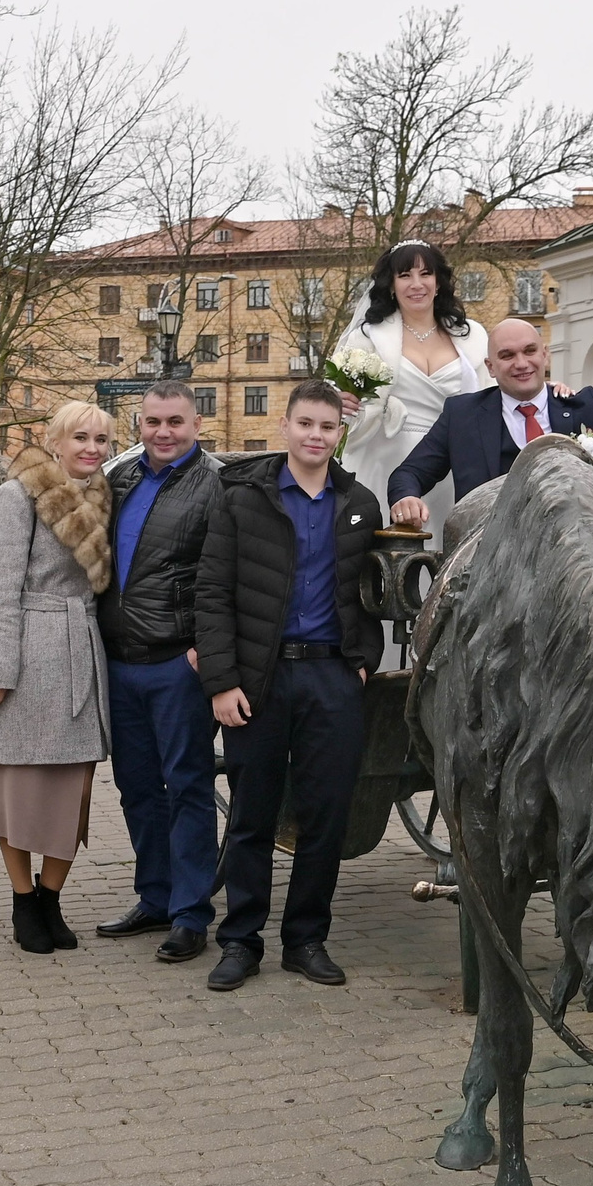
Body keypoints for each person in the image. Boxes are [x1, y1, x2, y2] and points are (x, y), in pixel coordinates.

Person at [196, 380, 384, 992]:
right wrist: (222, 682)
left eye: (327, 427)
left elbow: (371, 591)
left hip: (331, 676)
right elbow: (212, 592)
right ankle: (240, 941)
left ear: (339, 434)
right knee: (252, 815)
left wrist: (362, 660)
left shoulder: (358, 503)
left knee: (324, 816)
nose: (315, 436)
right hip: (260, 678)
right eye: (305, 424)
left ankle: (305, 940)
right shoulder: (242, 498)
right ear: (285, 427)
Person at [0, 401, 115, 955]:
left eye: (101, 440)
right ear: (54, 441)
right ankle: (22, 900)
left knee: (74, 788)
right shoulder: (17, 496)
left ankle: (50, 897)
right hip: (30, 654)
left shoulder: (102, 494)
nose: (92, 449)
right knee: (19, 786)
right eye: (80, 437)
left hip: (82, 648)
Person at [94, 381, 225, 963]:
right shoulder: (119, 479)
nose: (163, 432)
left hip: (177, 662)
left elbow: (225, 573)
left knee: (188, 786)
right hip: (120, 662)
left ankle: (191, 912)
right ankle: (155, 895)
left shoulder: (216, 484)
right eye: (153, 422)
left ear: (196, 424)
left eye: (175, 422)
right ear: (139, 425)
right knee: (137, 787)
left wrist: (205, 647)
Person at [386, 318, 593, 533]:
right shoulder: (462, 415)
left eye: (530, 351)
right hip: (491, 554)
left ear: (545, 355)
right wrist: (407, 498)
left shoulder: (585, 407)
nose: (521, 363)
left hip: (584, 547)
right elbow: (409, 473)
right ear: (491, 367)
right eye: (507, 355)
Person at [330, 240, 489, 544]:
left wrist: (551, 390)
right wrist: (340, 402)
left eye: (425, 274)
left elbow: (495, 394)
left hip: (449, 462)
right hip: (385, 458)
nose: (417, 284)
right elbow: (341, 403)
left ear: (438, 282)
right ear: (391, 285)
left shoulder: (473, 336)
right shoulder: (367, 337)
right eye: (405, 275)